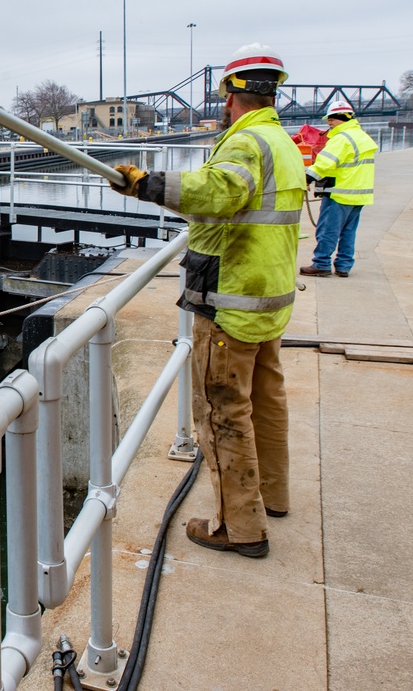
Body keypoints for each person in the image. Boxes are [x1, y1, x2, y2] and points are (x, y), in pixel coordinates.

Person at [111, 43, 306, 558]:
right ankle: (272, 495)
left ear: (232, 92)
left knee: (221, 409)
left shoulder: (245, 144)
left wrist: (147, 184)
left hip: (231, 301)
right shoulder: (281, 141)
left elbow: (220, 191)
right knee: (266, 398)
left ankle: (238, 527)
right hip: (268, 297)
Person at [299, 100, 377, 277]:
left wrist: (307, 178)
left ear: (342, 118)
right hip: (359, 194)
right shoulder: (362, 136)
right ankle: (343, 266)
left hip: (340, 193)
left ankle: (321, 264)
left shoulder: (342, 138)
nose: (330, 123)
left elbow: (324, 163)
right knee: (348, 232)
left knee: (328, 230)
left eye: (332, 120)